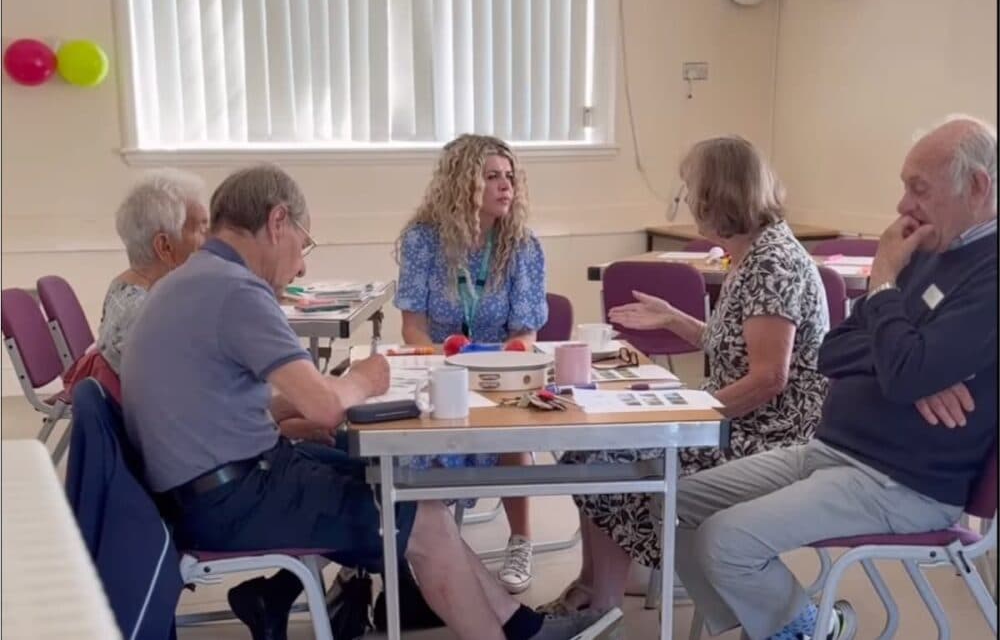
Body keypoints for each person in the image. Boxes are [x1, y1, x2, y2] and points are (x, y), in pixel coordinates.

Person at [121, 164, 615, 640]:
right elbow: (327, 408)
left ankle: (519, 627)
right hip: (230, 499)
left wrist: (285, 410)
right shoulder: (237, 292)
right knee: (417, 518)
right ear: (277, 222)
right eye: (303, 241)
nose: (303, 262)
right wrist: (362, 379)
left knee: (413, 495)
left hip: (207, 487)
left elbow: (214, 402)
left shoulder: (192, 280)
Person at [669, 115, 997, 640]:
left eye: (919, 189)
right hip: (830, 452)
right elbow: (833, 350)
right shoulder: (930, 251)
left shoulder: (982, 270)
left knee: (725, 542)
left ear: (977, 187)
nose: (902, 207)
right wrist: (908, 364)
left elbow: (906, 368)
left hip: (901, 482)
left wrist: (884, 283)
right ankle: (770, 625)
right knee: (670, 501)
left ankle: (803, 630)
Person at [549, 136, 830, 614]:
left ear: (716, 195)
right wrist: (674, 318)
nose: (685, 198)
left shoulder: (771, 263)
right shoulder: (752, 254)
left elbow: (768, 378)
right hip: (736, 422)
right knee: (587, 452)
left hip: (765, 436)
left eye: (689, 187)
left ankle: (604, 610)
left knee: (606, 463)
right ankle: (592, 589)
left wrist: (686, 413)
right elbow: (739, 348)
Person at [395, 134, 548, 593]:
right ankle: (439, 546)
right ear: (463, 184)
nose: (506, 187)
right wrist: (442, 364)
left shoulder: (521, 244)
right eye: (492, 177)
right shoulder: (423, 240)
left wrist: (506, 361)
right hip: (439, 366)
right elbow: (412, 327)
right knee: (421, 445)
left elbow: (524, 331)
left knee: (512, 425)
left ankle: (521, 540)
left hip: (499, 370)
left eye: (510, 177)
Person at [62, 168, 209, 400]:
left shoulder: (126, 286)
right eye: (200, 228)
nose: (209, 238)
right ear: (165, 247)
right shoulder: (150, 318)